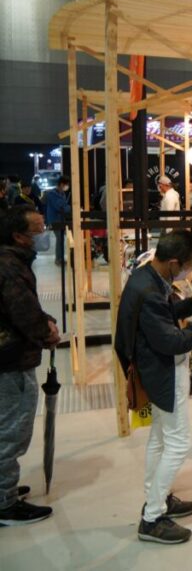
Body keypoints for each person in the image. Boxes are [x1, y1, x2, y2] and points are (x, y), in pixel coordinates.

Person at [114, 230, 192, 544]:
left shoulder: (146, 277)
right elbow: (170, 341)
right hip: (163, 372)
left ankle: (158, 498)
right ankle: (152, 518)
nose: (190, 271)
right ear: (174, 262)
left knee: (159, 438)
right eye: (189, 265)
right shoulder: (149, 291)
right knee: (178, 443)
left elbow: (162, 316)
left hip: (153, 370)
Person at [0, 206, 60, 526]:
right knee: (11, 431)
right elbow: (22, 311)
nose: (43, 234)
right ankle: (4, 502)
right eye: (38, 229)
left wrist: (44, 320)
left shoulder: (13, 261)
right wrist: (46, 332)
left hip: (11, 355)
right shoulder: (9, 267)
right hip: (10, 360)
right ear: (18, 236)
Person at [43, 177, 71, 266]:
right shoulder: (52, 194)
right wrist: (69, 208)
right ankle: (58, 259)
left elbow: (64, 206)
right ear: (61, 184)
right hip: (54, 220)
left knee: (61, 239)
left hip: (61, 220)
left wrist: (66, 207)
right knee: (60, 239)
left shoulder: (62, 194)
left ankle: (60, 258)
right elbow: (60, 207)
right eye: (66, 184)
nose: (67, 186)